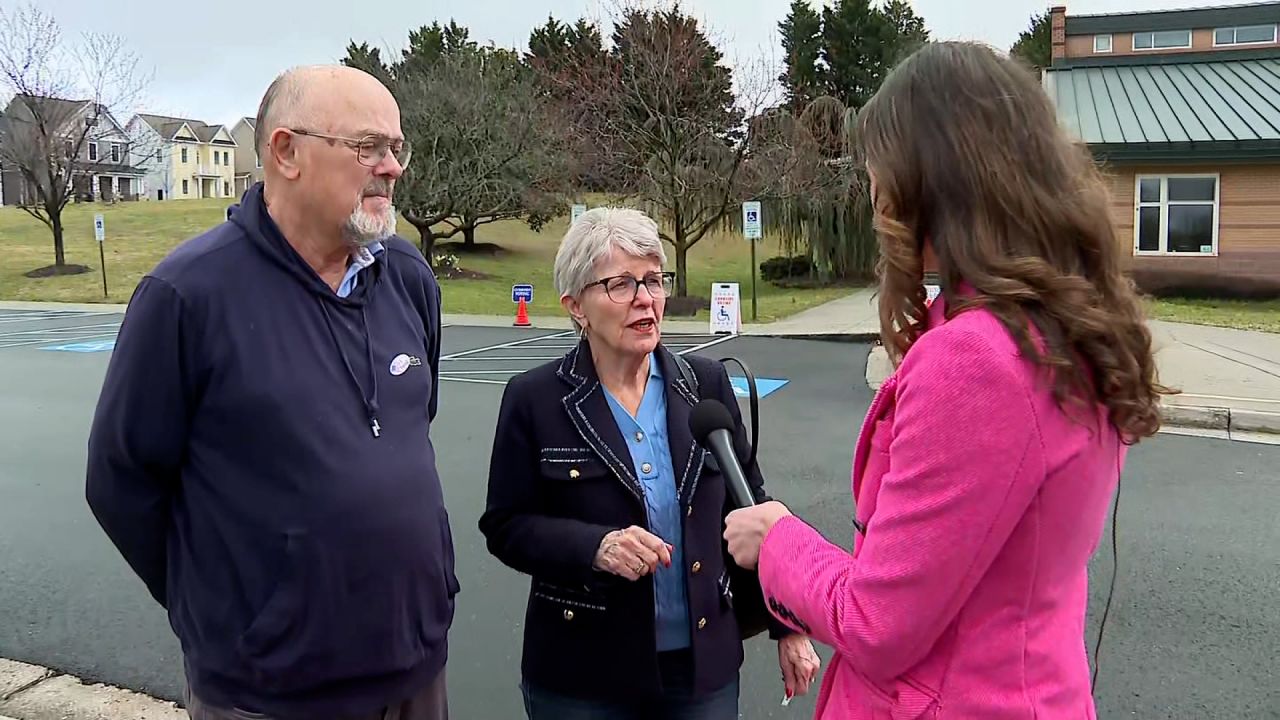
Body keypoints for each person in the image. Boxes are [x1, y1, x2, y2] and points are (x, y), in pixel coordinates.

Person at [724, 42, 1170, 719]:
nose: (873, 194)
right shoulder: (1064, 329)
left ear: (937, 179)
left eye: (881, 171)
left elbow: (880, 623)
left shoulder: (978, 360)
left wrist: (779, 541)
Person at [85, 65, 456, 720]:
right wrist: (235, 617)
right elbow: (122, 481)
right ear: (285, 152)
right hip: (269, 695)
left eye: (398, 147)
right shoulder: (188, 296)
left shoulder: (407, 277)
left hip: (416, 670)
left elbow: (409, 427)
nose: (392, 167)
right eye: (369, 147)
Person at [479, 207, 821, 719]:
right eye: (621, 284)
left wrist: (788, 625)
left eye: (654, 281)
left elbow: (753, 506)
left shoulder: (705, 386)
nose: (645, 299)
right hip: (583, 674)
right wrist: (594, 547)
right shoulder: (533, 400)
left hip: (701, 673)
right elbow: (505, 525)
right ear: (576, 306)